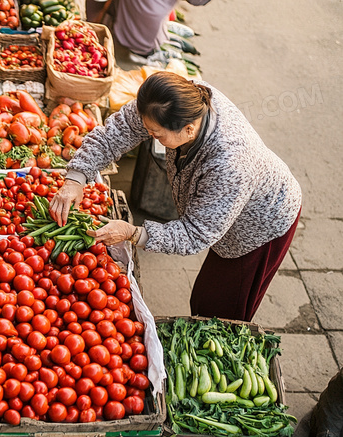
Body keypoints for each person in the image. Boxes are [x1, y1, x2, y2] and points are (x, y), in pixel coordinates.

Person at [49, 72, 302, 322]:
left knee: (222, 308)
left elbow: (195, 233)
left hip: (260, 223)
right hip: (225, 203)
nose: (150, 136)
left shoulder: (229, 163)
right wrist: (76, 177)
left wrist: (133, 233)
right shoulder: (174, 100)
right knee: (206, 296)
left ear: (189, 130)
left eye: (157, 135)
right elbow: (117, 133)